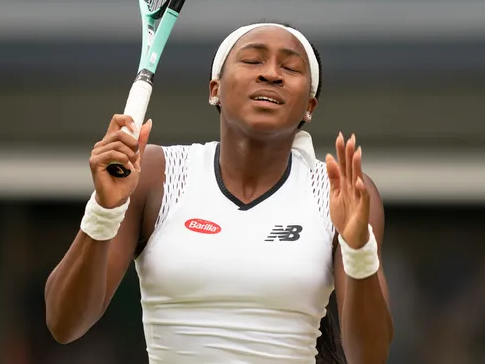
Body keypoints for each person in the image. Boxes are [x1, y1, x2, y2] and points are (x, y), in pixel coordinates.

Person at [44, 22, 394, 363]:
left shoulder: (341, 191)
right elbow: (64, 324)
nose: (271, 73)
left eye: (290, 67)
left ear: (309, 107)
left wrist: (357, 248)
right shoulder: (155, 173)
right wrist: (104, 210)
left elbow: (370, 356)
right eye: (253, 60)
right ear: (215, 90)